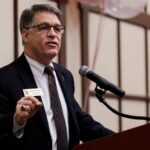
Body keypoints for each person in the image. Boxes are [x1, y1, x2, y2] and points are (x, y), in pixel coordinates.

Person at [0, 4, 114, 150]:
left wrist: (125, 140)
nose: (53, 34)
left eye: (58, 28)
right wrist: (17, 121)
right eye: (44, 27)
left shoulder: (64, 75)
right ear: (25, 35)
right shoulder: (5, 78)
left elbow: (80, 121)